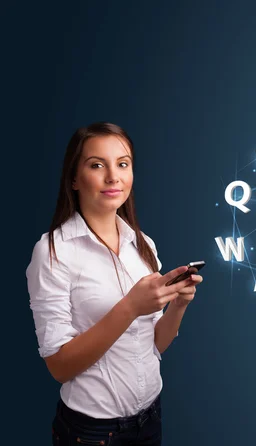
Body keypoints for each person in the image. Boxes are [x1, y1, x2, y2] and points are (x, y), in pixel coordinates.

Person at [25, 122, 202, 445]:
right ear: (74, 179)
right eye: (97, 165)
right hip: (92, 433)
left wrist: (178, 304)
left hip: (150, 418)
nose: (113, 177)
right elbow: (59, 367)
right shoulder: (52, 252)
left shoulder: (142, 244)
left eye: (123, 164)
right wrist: (131, 306)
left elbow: (153, 345)